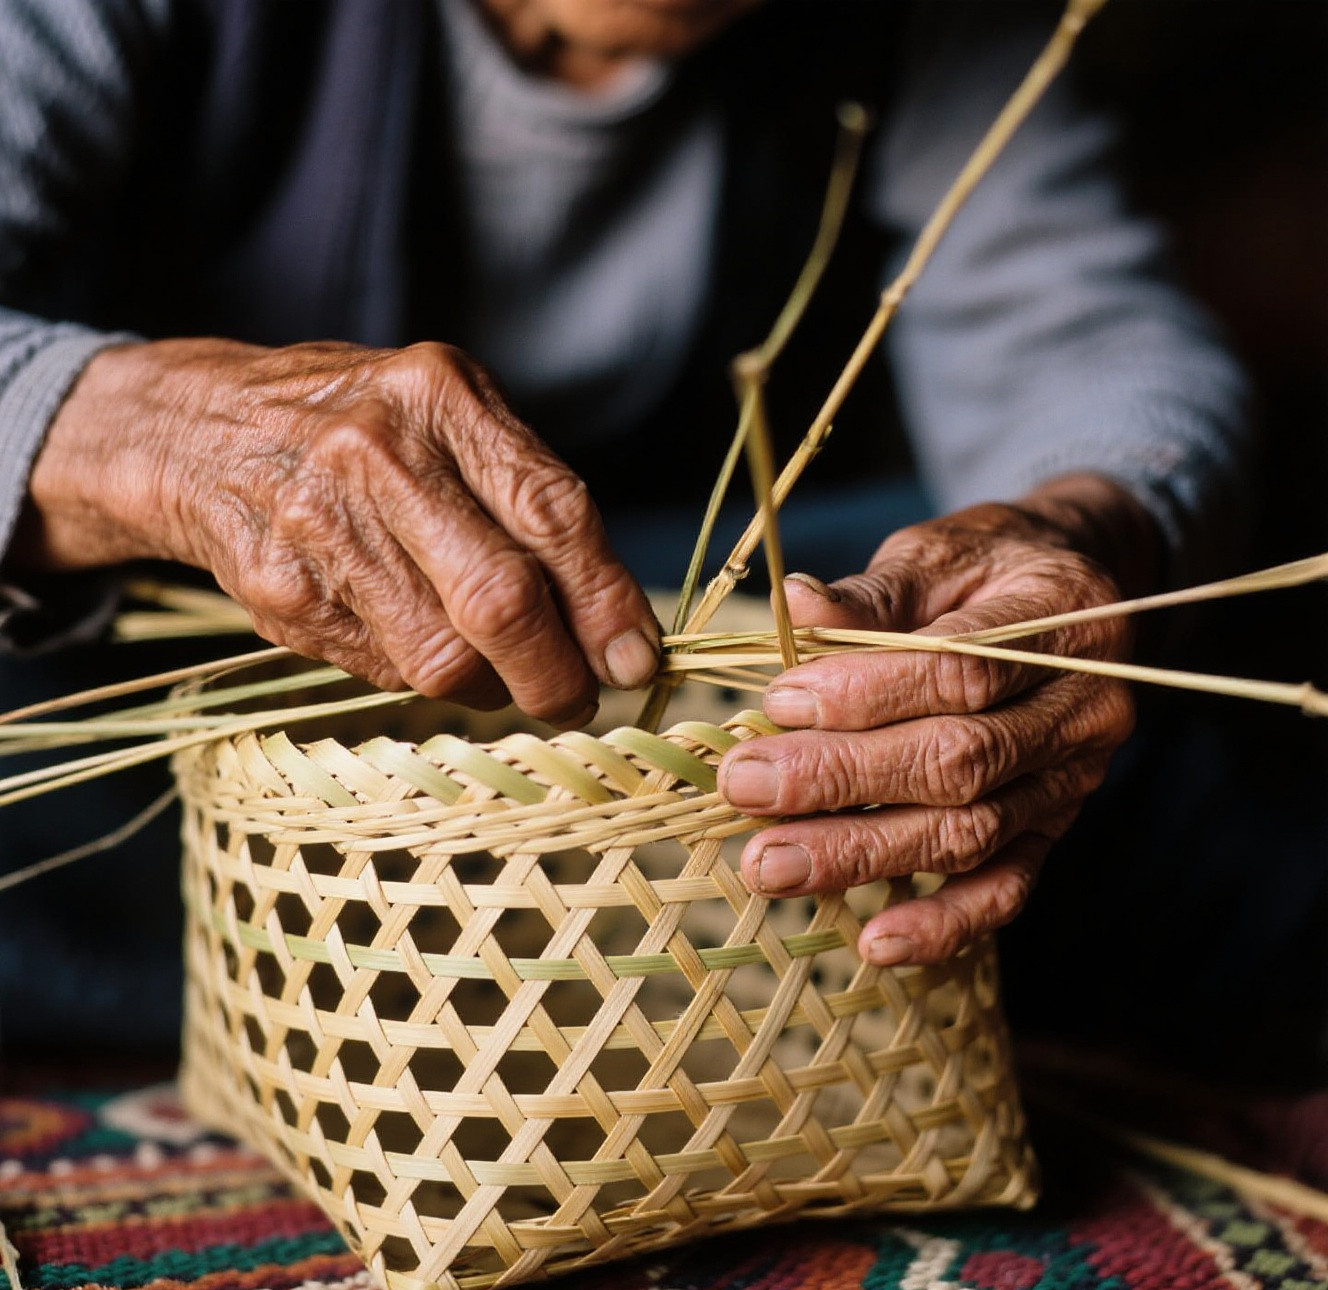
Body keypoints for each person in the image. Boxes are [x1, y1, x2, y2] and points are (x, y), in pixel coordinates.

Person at [0, 0, 1248, 1045]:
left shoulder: (930, 17)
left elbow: (1087, 347)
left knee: (1104, 671)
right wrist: (139, 437)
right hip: (141, 664)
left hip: (642, 635)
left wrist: (1073, 534)